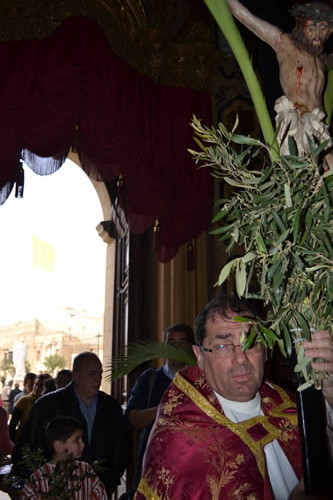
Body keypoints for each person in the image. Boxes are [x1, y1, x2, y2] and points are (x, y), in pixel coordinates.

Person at [136, 295, 333, 499]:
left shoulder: (288, 405)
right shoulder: (180, 442)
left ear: (265, 350)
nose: (241, 358)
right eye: (223, 346)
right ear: (200, 356)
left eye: (251, 342)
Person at [226, 1, 333, 165]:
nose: (317, 34)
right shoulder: (285, 44)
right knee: (301, 178)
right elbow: (244, 16)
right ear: (301, 27)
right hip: (297, 122)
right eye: (311, 28)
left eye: (323, 28)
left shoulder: (321, 60)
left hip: (319, 126)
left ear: (330, 31)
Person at [13, 351, 129, 498]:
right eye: (92, 374)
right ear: (76, 376)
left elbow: (122, 449)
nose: (98, 379)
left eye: (100, 374)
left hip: (97, 490)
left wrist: (108, 482)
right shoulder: (47, 406)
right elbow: (25, 449)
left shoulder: (111, 407)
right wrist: (45, 485)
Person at [124, 324, 195, 498]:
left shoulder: (203, 380)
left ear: (193, 347)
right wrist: (165, 408)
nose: (176, 348)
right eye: (171, 342)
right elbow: (132, 418)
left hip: (193, 470)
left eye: (182, 342)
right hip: (151, 470)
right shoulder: (150, 379)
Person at [20, 415, 108, 499]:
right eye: (77, 440)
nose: (83, 444)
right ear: (59, 445)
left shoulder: (87, 472)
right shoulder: (37, 480)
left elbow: (100, 494)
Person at [9, 373, 52, 442]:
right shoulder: (23, 400)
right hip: (23, 440)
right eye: (36, 384)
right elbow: (12, 424)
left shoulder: (50, 403)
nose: (37, 387)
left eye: (41, 386)